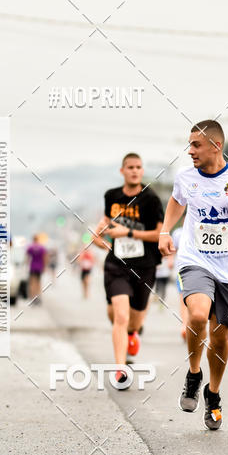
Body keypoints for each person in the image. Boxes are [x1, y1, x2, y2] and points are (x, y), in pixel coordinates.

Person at [159, 120, 228, 430]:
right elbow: (176, 201)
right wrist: (165, 231)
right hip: (195, 260)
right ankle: (194, 374)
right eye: (190, 144)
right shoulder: (185, 178)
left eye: (196, 145)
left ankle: (213, 395)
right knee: (196, 315)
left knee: (220, 337)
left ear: (216, 146)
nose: (190, 150)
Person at [92, 153, 163, 386]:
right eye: (130, 167)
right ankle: (120, 369)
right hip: (117, 264)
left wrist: (128, 233)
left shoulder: (151, 199)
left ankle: (133, 334)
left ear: (142, 171)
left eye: (138, 167)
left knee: (134, 320)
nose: (134, 171)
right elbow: (104, 226)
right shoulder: (111, 196)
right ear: (122, 171)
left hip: (145, 266)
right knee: (119, 315)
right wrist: (99, 234)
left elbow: (157, 235)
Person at [171, 225, 188, 340]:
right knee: (183, 299)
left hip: (201, 271)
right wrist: (170, 260)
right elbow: (173, 249)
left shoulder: (202, 227)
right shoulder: (178, 233)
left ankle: (193, 325)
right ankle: (185, 326)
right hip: (181, 270)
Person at [26, 235, 47, 304]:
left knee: (32, 282)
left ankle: (32, 297)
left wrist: (26, 265)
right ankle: (38, 297)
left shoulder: (30, 247)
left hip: (32, 267)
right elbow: (44, 257)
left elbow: (27, 257)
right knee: (38, 283)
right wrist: (44, 267)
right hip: (39, 267)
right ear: (38, 239)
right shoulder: (41, 247)